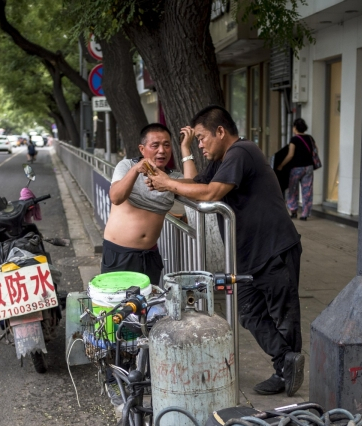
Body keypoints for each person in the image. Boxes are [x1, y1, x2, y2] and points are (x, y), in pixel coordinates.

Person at [147, 105, 304, 397]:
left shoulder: (241, 151)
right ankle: (286, 362)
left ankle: (286, 371)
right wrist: (178, 161)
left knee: (284, 314)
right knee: (248, 312)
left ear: (221, 132)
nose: (201, 144)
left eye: (203, 138)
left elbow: (211, 194)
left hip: (274, 247)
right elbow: (196, 184)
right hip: (249, 252)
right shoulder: (222, 160)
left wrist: (168, 182)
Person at [102, 123, 195, 286]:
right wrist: (136, 170)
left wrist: (186, 148)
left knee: (148, 308)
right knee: (116, 308)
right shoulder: (127, 166)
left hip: (149, 256)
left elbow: (194, 189)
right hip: (120, 255)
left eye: (167, 145)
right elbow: (116, 197)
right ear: (142, 149)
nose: (162, 150)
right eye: (155, 145)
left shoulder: (172, 178)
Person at [277, 118, 317, 221]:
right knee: (307, 190)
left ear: (295, 128)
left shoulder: (294, 139)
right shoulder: (310, 138)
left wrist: (281, 165)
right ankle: (305, 214)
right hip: (308, 167)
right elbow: (315, 150)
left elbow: (290, 155)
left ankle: (293, 211)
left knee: (292, 190)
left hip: (296, 168)